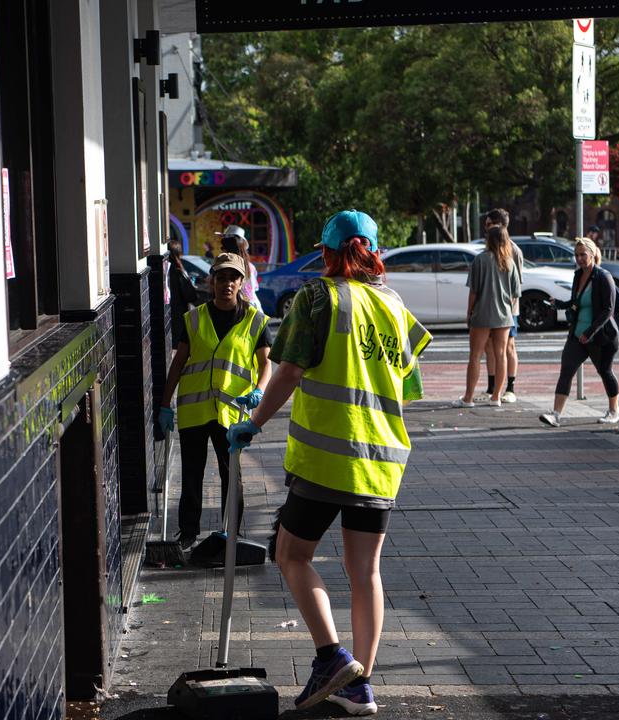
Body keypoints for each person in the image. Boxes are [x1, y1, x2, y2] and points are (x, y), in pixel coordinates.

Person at [227, 210, 431, 715]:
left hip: (328, 457)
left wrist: (254, 421)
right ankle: (361, 685)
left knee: (291, 554)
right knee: (365, 570)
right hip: (383, 458)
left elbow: (290, 369)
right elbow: (409, 386)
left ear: (328, 253)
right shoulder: (394, 305)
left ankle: (330, 657)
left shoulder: (319, 297)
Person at [158, 253, 272, 549]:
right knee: (191, 475)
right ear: (212, 281)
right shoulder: (194, 318)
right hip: (194, 410)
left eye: (233, 278)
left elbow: (266, 364)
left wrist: (259, 390)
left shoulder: (255, 321)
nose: (226, 284)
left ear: (241, 282)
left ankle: (231, 534)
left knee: (231, 475)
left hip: (232, 412)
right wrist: (164, 403)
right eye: (221, 277)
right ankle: (187, 534)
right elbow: (179, 362)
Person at [539, 237, 619, 427]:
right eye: (576, 255)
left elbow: (607, 310)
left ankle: (614, 410)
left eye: (583, 255)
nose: (579, 258)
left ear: (593, 254)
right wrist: (559, 304)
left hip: (601, 336)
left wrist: (591, 331)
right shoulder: (578, 275)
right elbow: (577, 302)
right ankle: (556, 415)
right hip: (578, 334)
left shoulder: (603, 277)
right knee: (566, 370)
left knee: (605, 371)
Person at [453, 225, 519, 408]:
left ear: (489, 239)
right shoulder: (510, 262)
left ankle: (468, 398)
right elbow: (515, 294)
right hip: (504, 316)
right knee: (501, 355)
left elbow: (473, 291)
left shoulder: (480, 260)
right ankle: (496, 396)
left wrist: (469, 312)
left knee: (475, 356)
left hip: (482, 313)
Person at [481, 209, 522, 403]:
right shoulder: (488, 248)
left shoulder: (513, 250)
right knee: (489, 347)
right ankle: (491, 386)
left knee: (508, 347)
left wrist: (510, 308)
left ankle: (510, 387)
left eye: (489, 225)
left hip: (508, 308)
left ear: (499, 226)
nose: (486, 228)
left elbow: (516, 285)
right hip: (490, 307)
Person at [218, 224, 263, 312]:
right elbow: (254, 289)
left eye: (223, 246)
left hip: (239, 310)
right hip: (255, 309)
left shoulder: (226, 266)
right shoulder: (250, 266)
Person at [166, 239, 200, 342]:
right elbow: (191, 296)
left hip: (170, 312)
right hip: (179, 313)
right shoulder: (179, 271)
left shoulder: (166, 271)